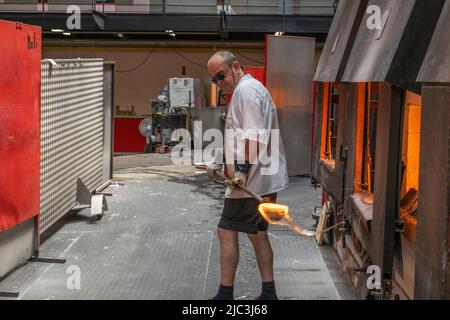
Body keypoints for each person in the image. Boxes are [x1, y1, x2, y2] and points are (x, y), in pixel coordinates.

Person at [206, 51, 289, 300]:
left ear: (236, 67)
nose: (220, 84)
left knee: (226, 231)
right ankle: (269, 293)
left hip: (252, 180)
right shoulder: (248, 90)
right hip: (260, 178)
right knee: (258, 234)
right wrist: (218, 161)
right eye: (214, 80)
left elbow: (254, 136)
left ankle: (224, 295)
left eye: (221, 76)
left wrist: (240, 170)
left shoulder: (246, 91)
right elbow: (239, 136)